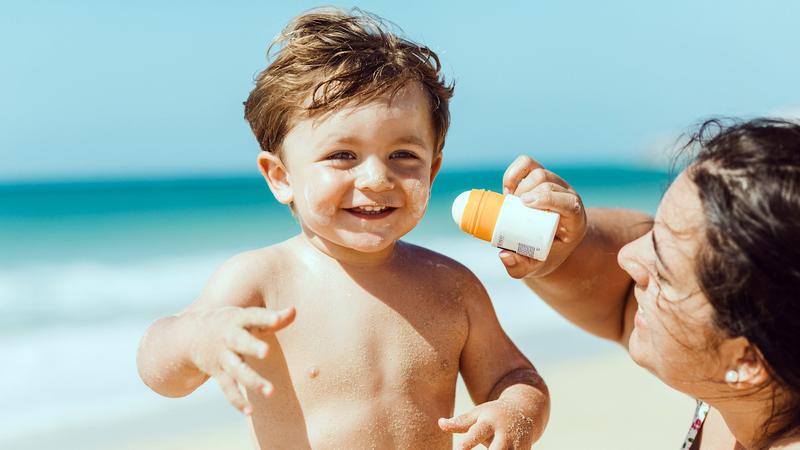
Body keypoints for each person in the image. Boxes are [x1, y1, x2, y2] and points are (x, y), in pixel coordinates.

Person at [136, 8, 549, 450]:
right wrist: (199, 339)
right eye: (343, 156)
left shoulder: (453, 287)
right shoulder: (264, 281)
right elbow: (158, 367)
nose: (376, 179)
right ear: (280, 177)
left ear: (432, 170)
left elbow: (516, 377)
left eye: (403, 155)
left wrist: (514, 410)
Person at [497, 118, 800, 449]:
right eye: (656, 232)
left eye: (664, 271)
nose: (627, 256)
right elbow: (620, 297)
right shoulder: (746, 394)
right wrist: (569, 241)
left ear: (747, 362)